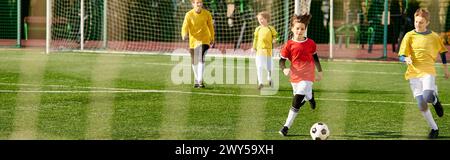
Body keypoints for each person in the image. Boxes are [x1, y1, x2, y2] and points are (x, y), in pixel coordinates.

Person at [398, 8, 449, 139]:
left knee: (427, 97)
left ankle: (435, 100)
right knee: (421, 104)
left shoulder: (434, 36)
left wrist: (445, 69)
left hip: (428, 72)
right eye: (416, 21)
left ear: (427, 23)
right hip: (413, 73)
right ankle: (434, 129)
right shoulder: (409, 36)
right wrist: (405, 58)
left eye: (421, 22)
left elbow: (443, 52)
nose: (417, 24)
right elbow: (401, 55)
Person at [278, 14, 323, 136]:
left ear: (305, 29)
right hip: (295, 76)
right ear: (292, 29)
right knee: (300, 95)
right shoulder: (288, 45)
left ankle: (286, 127)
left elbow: (315, 58)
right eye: (297, 28)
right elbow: (281, 61)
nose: (299, 31)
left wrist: (320, 72)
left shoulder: (311, 43)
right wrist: (284, 69)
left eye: (302, 28)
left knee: (297, 99)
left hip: (308, 75)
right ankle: (311, 97)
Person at [181, 0, 215, 88]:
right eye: (196, 3)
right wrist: (184, 34)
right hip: (193, 41)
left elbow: (210, 27)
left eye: (200, 2)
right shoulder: (189, 15)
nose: (198, 4)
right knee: (194, 61)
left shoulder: (207, 14)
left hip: (204, 39)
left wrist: (212, 37)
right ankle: (197, 80)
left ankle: (200, 80)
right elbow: (185, 26)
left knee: (200, 56)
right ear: (193, 4)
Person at [252, 11, 278, 90]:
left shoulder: (271, 29)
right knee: (259, 66)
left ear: (266, 19)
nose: (260, 20)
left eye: (262, 19)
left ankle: (269, 78)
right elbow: (255, 39)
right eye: (259, 19)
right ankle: (260, 83)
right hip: (260, 51)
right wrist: (254, 47)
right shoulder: (258, 29)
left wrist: (275, 40)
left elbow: (276, 36)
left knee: (269, 67)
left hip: (268, 51)